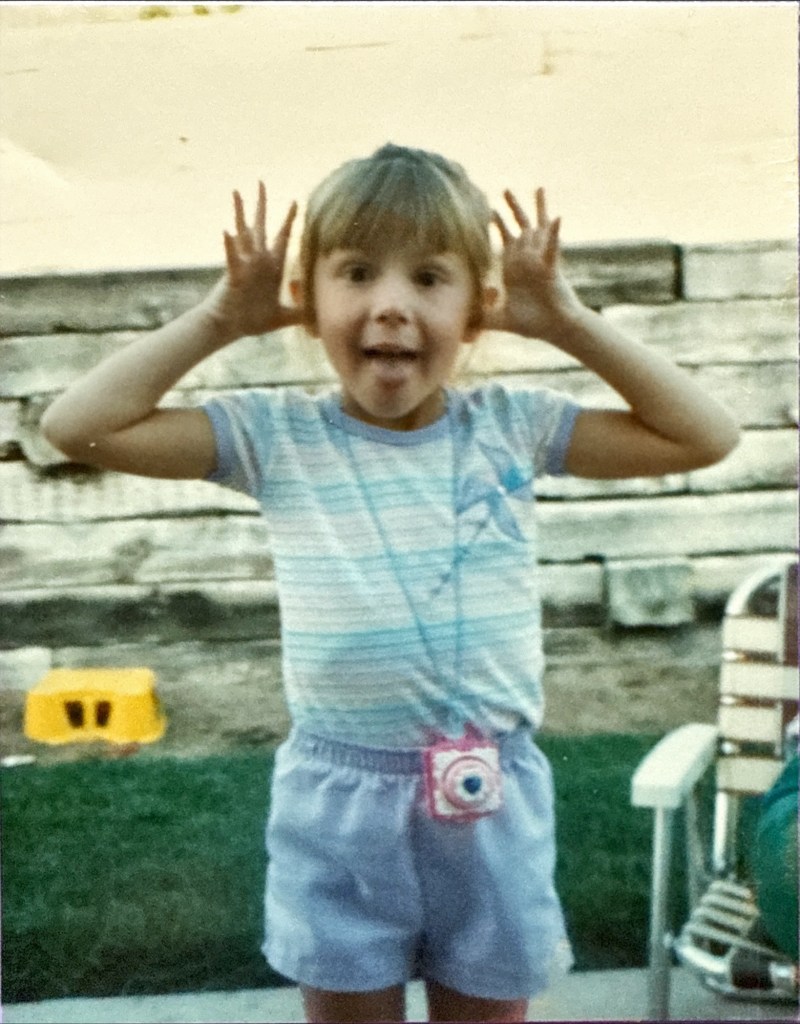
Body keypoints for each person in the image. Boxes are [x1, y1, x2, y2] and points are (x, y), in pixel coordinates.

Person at [41, 143, 740, 1023]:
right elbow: (77, 426)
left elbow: (705, 436)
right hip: (337, 802)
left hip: (489, 797)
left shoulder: (512, 428)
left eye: (430, 278)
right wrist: (221, 317)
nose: (392, 306)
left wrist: (566, 320)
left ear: (479, 309)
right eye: (358, 273)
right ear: (310, 302)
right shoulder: (274, 437)